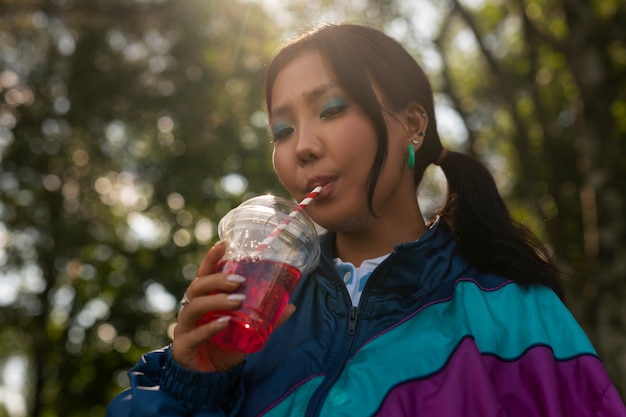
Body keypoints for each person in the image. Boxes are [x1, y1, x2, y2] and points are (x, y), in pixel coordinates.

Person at [106, 23, 626, 416]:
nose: (303, 147)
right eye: (283, 130)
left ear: (413, 125)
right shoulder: (251, 326)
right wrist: (194, 385)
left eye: (332, 108)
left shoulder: (512, 309)